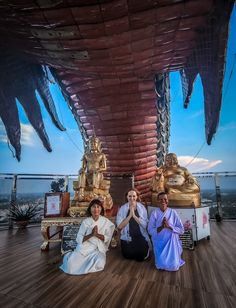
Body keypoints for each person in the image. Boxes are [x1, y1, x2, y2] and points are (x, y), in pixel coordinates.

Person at [60, 199, 115, 275]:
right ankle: (70, 256)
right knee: (70, 265)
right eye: (93, 207)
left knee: (100, 263)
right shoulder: (86, 221)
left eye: (98, 207)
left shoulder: (105, 221)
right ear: (90, 209)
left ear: (101, 209)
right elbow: (79, 238)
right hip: (84, 248)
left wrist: (97, 235)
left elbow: (107, 238)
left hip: (97, 249)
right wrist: (91, 234)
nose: (96, 209)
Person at [148, 192, 185, 271]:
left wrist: (169, 226)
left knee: (174, 266)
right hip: (159, 243)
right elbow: (150, 230)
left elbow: (181, 230)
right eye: (161, 199)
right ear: (157, 201)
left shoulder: (173, 212)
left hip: (172, 243)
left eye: (165, 199)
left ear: (168, 201)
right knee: (160, 265)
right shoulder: (154, 213)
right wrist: (161, 227)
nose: (163, 201)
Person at [116, 189, 150, 261]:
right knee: (128, 255)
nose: (132, 198)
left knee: (141, 255)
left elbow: (145, 225)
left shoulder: (142, 208)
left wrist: (134, 216)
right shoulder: (122, 208)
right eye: (130, 196)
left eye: (134, 196)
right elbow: (119, 226)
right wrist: (129, 216)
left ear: (137, 197)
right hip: (127, 236)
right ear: (127, 197)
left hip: (140, 235)